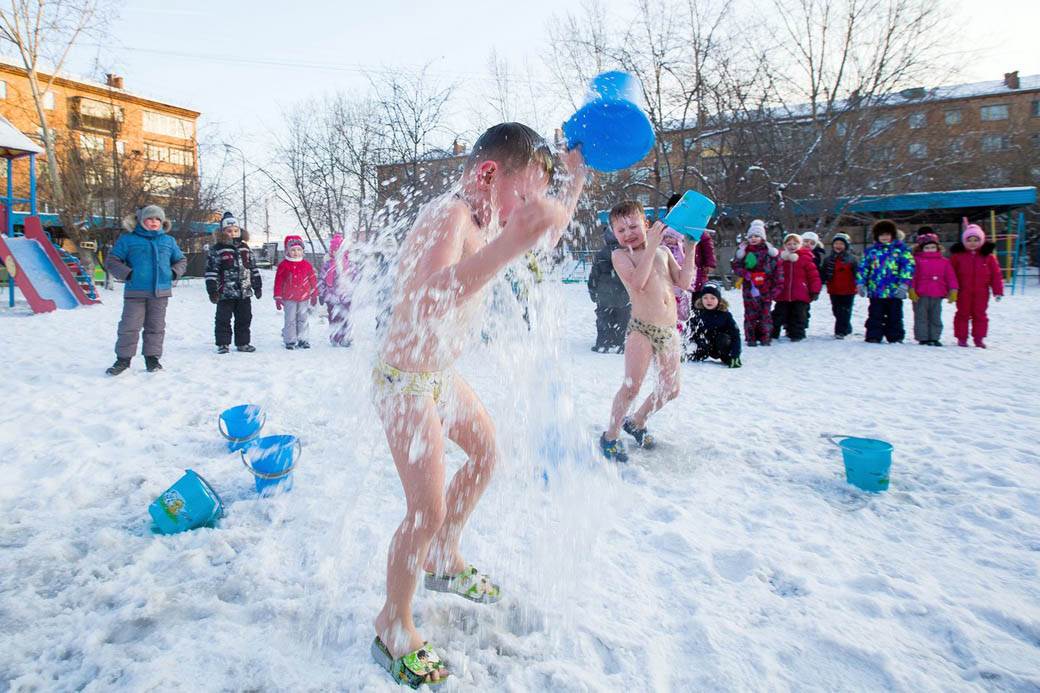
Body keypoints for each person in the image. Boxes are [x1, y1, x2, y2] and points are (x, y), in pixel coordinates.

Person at [370, 122, 585, 688]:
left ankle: (443, 557)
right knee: (426, 509)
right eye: (526, 194)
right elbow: (424, 298)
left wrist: (575, 183)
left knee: (488, 457)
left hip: (439, 376)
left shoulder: (489, 218)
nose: (529, 209)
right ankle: (392, 624)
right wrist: (512, 242)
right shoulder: (451, 214)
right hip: (404, 382)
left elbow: (542, 242)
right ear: (488, 175)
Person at [599, 199, 697, 463]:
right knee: (632, 386)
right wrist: (652, 243)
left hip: (668, 330)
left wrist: (691, 249)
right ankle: (610, 435)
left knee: (671, 387)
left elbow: (685, 282)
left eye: (633, 226)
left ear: (647, 224)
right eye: (621, 230)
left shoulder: (664, 252)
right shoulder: (620, 256)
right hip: (641, 330)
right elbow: (638, 283)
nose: (628, 233)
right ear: (614, 234)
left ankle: (637, 421)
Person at [104, 205, 186, 375]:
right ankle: (123, 360)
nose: (154, 222)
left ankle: (152, 359)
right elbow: (112, 261)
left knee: (156, 327)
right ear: (141, 221)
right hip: (136, 292)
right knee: (129, 326)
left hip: (160, 292)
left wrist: (173, 272)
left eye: (157, 219)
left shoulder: (168, 241)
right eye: (150, 218)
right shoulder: (128, 240)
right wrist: (128, 274)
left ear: (162, 222)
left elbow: (181, 260)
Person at [205, 212, 261, 353]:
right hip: (225, 293)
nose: (232, 233)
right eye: (229, 231)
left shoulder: (245, 248)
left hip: (244, 292)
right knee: (223, 319)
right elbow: (211, 271)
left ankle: (243, 343)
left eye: (235, 230)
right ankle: (223, 343)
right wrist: (212, 290)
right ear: (223, 232)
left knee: (244, 318)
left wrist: (257, 285)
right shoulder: (217, 249)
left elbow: (253, 267)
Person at [857, 219, 914, 343]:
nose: (884, 237)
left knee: (895, 315)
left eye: (887, 234)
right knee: (875, 314)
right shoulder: (871, 251)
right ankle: (874, 335)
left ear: (892, 235)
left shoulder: (901, 250)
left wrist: (904, 284)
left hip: (895, 290)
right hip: (876, 290)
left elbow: (908, 267)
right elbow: (863, 267)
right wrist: (861, 283)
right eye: (881, 235)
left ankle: (895, 336)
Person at [950, 221, 1004, 348]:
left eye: (976, 240)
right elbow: (951, 274)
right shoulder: (958, 257)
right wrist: (951, 289)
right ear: (964, 241)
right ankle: (961, 338)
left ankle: (979, 338)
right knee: (962, 314)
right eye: (969, 240)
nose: (972, 243)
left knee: (980, 315)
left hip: (981, 292)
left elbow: (996, 275)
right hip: (963, 291)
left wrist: (998, 291)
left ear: (982, 240)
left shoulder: (988, 257)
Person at [730, 220, 782, 346]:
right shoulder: (743, 251)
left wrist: (777, 287)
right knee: (750, 314)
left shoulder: (770, 253)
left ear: (762, 237)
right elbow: (736, 265)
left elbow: (778, 270)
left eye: (756, 236)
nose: (753, 239)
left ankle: (765, 337)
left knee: (765, 314)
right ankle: (751, 337)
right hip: (750, 288)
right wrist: (744, 273)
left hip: (766, 288)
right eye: (751, 236)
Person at [909, 232, 958, 346]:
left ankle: (934, 337)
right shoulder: (916, 261)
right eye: (927, 247)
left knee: (935, 317)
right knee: (921, 316)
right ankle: (923, 337)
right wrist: (911, 289)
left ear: (937, 247)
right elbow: (913, 276)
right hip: (921, 295)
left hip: (937, 294)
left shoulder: (944, 262)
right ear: (921, 249)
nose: (930, 249)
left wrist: (953, 289)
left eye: (933, 247)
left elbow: (951, 277)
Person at [772, 232, 822, 341]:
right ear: (785, 245)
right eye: (789, 244)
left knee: (799, 315)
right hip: (783, 293)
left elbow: (814, 276)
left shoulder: (805, 258)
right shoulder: (780, 259)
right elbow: (774, 274)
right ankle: (772, 333)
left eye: (795, 244)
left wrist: (815, 290)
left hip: (800, 293)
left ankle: (797, 334)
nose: (792, 246)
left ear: (799, 245)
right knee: (778, 314)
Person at [587, 227, 630, 352]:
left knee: (604, 319)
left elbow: (594, 275)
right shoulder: (627, 253)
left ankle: (603, 343)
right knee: (623, 319)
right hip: (624, 293)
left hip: (604, 294)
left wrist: (593, 291)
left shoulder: (601, 254)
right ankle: (620, 342)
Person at [274, 235, 319, 349]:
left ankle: (303, 339)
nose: (296, 252)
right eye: (293, 250)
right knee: (290, 319)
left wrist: (314, 294)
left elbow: (313, 280)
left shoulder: (306, 265)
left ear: (303, 251)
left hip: (304, 297)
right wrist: (278, 297)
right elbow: (278, 281)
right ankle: (290, 340)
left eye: (299, 249)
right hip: (289, 297)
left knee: (302, 319)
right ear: (287, 251)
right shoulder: (284, 265)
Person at [666, 192, 715, 290]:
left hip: (694, 266)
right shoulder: (667, 226)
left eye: (676, 208)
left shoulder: (694, 228)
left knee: (694, 292)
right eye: (671, 209)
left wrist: (709, 263)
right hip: (672, 269)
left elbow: (707, 246)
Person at [686, 282, 741, 367]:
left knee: (723, 338)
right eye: (705, 298)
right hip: (703, 347)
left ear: (718, 299)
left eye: (712, 298)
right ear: (701, 299)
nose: (709, 301)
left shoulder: (725, 315)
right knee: (699, 336)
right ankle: (695, 355)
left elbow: (735, 335)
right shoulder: (696, 314)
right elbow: (688, 333)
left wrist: (735, 354)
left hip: (720, 346)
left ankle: (728, 358)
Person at [820, 232, 859, 339]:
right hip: (834, 289)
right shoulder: (828, 259)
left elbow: (857, 273)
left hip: (848, 290)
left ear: (846, 246)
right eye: (836, 243)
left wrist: (859, 284)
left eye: (841, 244)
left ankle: (840, 331)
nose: (838, 246)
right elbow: (823, 274)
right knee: (836, 310)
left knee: (845, 310)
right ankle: (847, 327)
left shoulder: (852, 259)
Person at [319, 233, 354, 347]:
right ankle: (335, 337)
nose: (338, 253)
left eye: (340, 250)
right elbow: (321, 279)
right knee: (334, 318)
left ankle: (346, 337)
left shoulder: (349, 264)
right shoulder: (328, 264)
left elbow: (355, 278)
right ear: (332, 251)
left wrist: (355, 291)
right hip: (332, 298)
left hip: (346, 297)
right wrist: (322, 293)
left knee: (346, 318)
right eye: (335, 250)